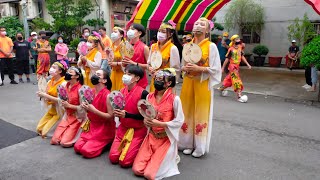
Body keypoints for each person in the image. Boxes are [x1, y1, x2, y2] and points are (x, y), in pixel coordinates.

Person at [178, 17, 221, 158]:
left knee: (200, 113)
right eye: (196, 23)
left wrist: (199, 68)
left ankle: (199, 146)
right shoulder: (187, 46)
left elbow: (216, 69)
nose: (198, 25)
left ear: (207, 30)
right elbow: (181, 66)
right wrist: (184, 68)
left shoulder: (211, 46)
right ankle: (187, 143)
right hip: (188, 82)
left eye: (202, 24)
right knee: (187, 111)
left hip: (202, 83)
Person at [132, 69, 184, 180]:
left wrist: (162, 123)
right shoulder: (149, 97)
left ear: (169, 83)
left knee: (149, 175)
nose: (157, 81)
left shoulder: (175, 99)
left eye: (161, 79)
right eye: (156, 79)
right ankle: (156, 160)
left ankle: (170, 157)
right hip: (151, 136)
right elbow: (146, 115)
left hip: (165, 139)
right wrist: (146, 121)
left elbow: (180, 121)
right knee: (137, 170)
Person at [109, 64, 149, 167]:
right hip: (123, 128)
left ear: (137, 78)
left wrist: (127, 115)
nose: (125, 76)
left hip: (137, 130)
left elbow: (145, 116)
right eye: (125, 73)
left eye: (129, 74)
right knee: (113, 157)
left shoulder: (143, 93)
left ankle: (139, 145)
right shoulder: (121, 91)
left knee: (125, 162)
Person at [74, 69, 115, 158]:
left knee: (86, 151)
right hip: (92, 126)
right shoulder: (90, 92)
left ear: (104, 80)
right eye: (95, 74)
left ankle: (107, 141)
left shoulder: (108, 95)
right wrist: (85, 107)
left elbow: (110, 117)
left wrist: (94, 110)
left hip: (103, 128)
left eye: (98, 75)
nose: (95, 76)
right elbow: (88, 111)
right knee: (77, 148)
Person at [51, 66, 83, 147]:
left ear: (77, 76)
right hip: (67, 115)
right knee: (54, 140)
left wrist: (70, 106)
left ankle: (72, 133)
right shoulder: (65, 85)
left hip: (77, 117)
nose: (68, 73)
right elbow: (61, 99)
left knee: (64, 143)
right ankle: (66, 132)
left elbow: (83, 108)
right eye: (68, 71)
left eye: (71, 72)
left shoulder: (81, 89)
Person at [36, 61, 67, 138]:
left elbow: (61, 100)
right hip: (51, 109)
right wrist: (42, 95)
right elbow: (46, 95)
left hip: (59, 111)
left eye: (54, 67)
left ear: (60, 71)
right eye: (51, 67)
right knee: (39, 129)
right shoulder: (50, 81)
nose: (51, 69)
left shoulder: (63, 83)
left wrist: (45, 95)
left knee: (45, 132)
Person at [148, 21, 181, 92]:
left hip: (165, 83)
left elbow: (176, 70)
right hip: (154, 80)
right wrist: (150, 68)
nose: (160, 33)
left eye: (163, 31)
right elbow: (149, 63)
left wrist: (161, 72)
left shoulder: (172, 48)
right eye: (159, 31)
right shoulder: (153, 46)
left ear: (170, 34)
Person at [218, 35, 251, 103]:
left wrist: (247, 64)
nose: (238, 40)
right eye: (236, 39)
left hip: (237, 67)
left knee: (229, 80)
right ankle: (239, 96)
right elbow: (227, 59)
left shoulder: (240, 47)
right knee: (236, 80)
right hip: (232, 67)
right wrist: (222, 68)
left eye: (238, 38)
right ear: (233, 41)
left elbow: (242, 56)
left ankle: (221, 89)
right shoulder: (231, 49)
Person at [122, 23, 149, 89]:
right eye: (129, 29)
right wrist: (123, 63)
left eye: (133, 29)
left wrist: (134, 64)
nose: (130, 30)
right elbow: (123, 64)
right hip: (127, 78)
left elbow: (149, 66)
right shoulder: (126, 46)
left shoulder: (144, 47)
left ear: (139, 33)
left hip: (139, 79)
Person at [109, 27, 125, 91]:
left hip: (122, 73)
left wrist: (116, 63)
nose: (113, 33)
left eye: (115, 32)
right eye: (112, 32)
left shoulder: (124, 46)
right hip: (113, 72)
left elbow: (127, 62)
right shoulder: (111, 46)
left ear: (121, 35)